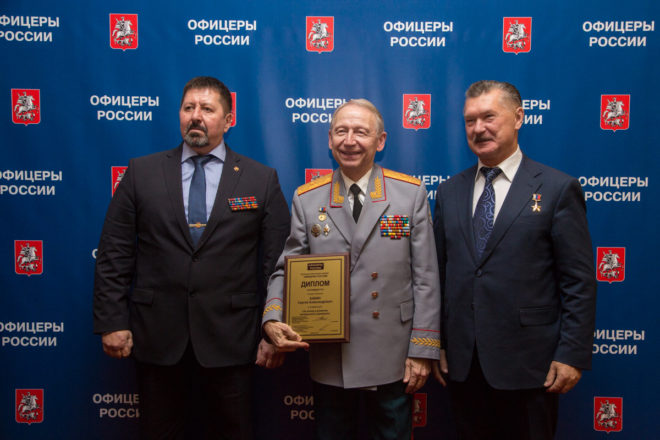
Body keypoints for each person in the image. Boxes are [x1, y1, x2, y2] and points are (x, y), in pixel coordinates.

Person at [93, 76, 291, 440]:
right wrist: (111, 321)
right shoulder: (142, 172)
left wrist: (272, 329)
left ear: (228, 120)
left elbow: (277, 262)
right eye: (188, 108)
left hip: (231, 339)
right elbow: (114, 251)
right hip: (157, 338)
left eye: (207, 109)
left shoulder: (260, 179)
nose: (195, 116)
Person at [262, 99, 441, 440]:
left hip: (393, 353)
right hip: (331, 354)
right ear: (329, 140)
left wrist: (422, 349)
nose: (349, 141)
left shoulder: (409, 194)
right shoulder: (307, 199)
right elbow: (286, 269)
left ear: (380, 141)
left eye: (361, 132)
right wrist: (272, 317)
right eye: (341, 131)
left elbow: (426, 278)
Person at [432, 80, 597, 440]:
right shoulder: (448, 191)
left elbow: (579, 281)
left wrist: (571, 354)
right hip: (464, 365)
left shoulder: (557, 188)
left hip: (531, 365)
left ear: (519, 117)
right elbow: (439, 275)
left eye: (489, 117)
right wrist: (438, 344)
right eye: (470, 120)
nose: (478, 128)